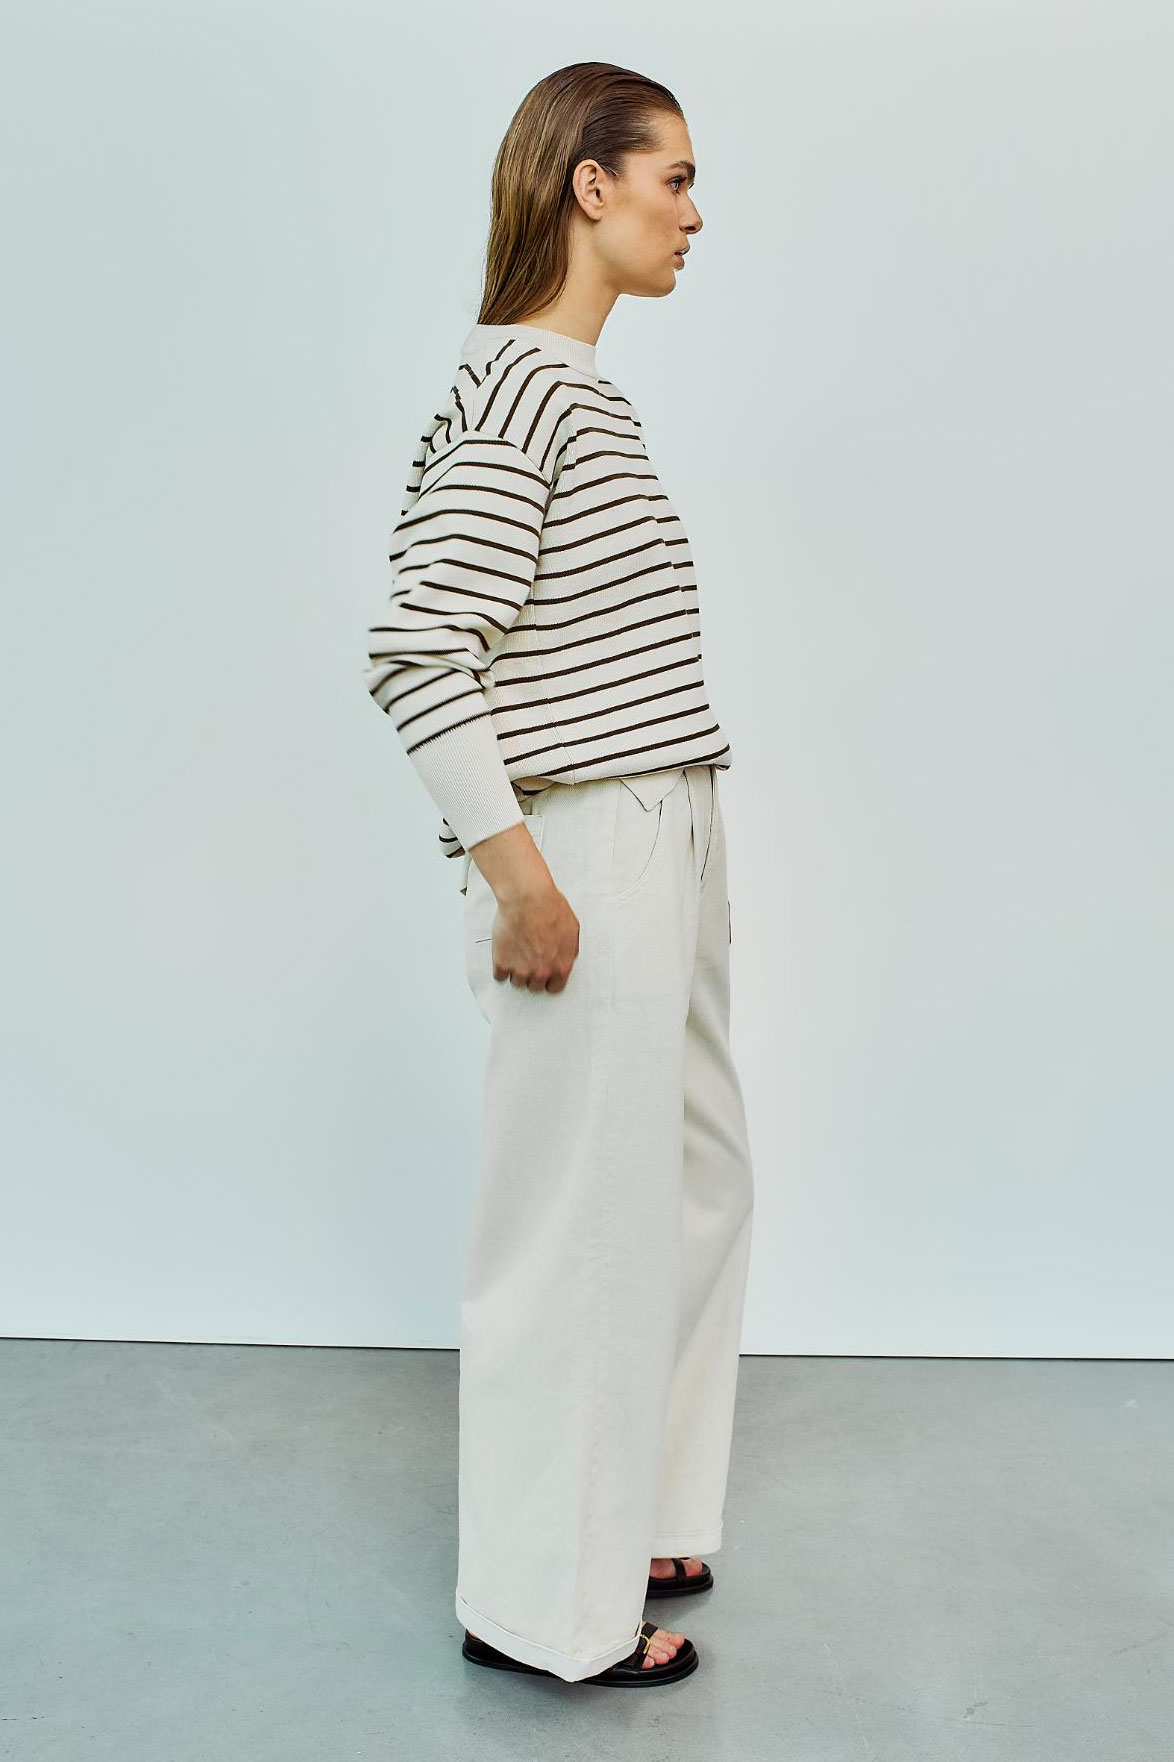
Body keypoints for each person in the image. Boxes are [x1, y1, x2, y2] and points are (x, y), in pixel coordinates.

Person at [363, 61, 755, 1688]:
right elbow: (415, 645)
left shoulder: (577, 390)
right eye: (673, 177)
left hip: (663, 825)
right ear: (589, 187)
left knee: (694, 1180)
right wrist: (518, 876)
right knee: (574, 1230)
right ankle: (542, 1607)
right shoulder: (522, 391)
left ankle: (640, 1511)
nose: (694, 212)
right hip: (584, 842)